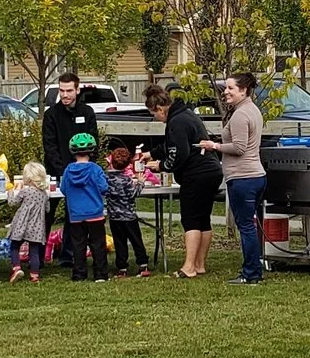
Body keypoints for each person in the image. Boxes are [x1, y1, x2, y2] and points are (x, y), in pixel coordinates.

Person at [202, 72, 267, 286]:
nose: (226, 92)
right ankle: (255, 268)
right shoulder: (252, 110)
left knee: (246, 226)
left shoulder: (240, 115)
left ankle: (251, 273)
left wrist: (215, 146)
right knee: (252, 225)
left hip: (243, 178)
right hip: (256, 176)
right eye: (226, 88)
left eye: (230, 88)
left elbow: (239, 148)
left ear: (243, 90)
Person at [151, 85, 219, 279]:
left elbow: (179, 153)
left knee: (190, 220)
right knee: (203, 219)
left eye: (153, 114)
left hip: (196, 174)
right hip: (212, 170)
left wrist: (162, 165)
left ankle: (188, 267)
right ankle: (199, 264)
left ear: (160, 109)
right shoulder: (186, 114)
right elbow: (173, 144)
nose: (155, 118)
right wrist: (152, 153)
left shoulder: (176, 122)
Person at [60, 132, 110, 282]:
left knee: (78, 245)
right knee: (98, 245)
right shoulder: (95, 169)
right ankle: (100, 274)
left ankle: (79, 274)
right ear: (92, 150)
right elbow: (104, 188)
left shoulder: (68, 170)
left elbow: (63, 189)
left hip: (76, 215)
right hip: (94, 213)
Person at [104, 143, 153, 278]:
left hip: (115, 217)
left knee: (119, 243)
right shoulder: (126, 180)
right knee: (136, 240)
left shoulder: (106, 179)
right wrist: (140, 182)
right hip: (129, 216)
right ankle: (143, 264)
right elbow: (132, 194)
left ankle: (122, 267)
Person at [2, 161, 51, 281]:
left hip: (22, 224)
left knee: (14, 246)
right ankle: (35, 275)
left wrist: (10, 193)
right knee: (34, 251)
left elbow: (13, 203)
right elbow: (47, 209)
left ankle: (17, 268)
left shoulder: (26, 191)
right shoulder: (44, 194)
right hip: (37, 227)